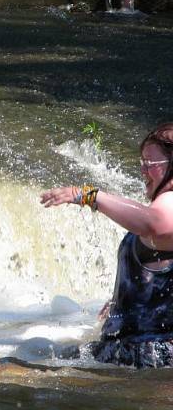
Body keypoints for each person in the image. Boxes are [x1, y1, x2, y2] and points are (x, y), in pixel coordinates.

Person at [40, 122, 173, 368]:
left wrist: (87, 195)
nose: (143, 171)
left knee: (37, 368)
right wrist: (119, 301)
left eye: (149, 164)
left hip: (150, 355)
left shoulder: (170, 202)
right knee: (43, 358)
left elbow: (153, 223)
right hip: (136, 351)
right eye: (141, 163)